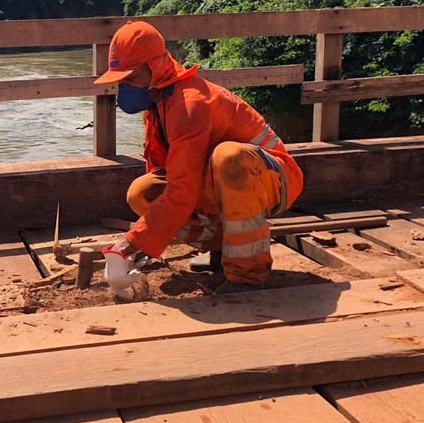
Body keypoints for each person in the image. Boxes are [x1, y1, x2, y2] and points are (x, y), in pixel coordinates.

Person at [96, 20, 304, 295]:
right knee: (143, 192)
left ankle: (247, 274)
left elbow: (183, 189)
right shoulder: (159, 102)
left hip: (275, 180)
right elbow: (172, 175)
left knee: (229, 157)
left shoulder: (189, 104)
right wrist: (145, 239)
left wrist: (132, 241)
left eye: (131, 79)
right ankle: (220, 248)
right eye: (122, 82)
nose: (126, 90)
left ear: (156, 67)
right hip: (223, 180)